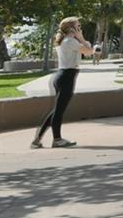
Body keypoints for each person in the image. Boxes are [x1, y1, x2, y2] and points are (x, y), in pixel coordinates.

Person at [32, 16, 94, 149]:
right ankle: (57, 139)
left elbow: (88, 50)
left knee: (57, 110)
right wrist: (82, 38)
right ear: (71, 28)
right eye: (78, 26)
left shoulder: (66, 41)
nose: (80, 28)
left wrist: (81, 39)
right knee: (59, 111)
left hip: (63, 76)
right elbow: (89, 52)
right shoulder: (70, 41)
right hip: (67, 77)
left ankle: (37, 140)